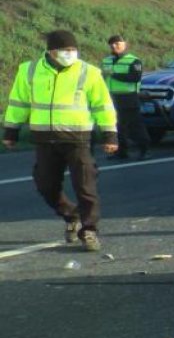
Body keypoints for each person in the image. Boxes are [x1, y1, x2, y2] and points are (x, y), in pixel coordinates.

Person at [3, 30, 118, 251]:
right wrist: (11, 131)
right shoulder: (30, 70)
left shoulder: (89, 72)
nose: (70, 54)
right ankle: (70, 215)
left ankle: (90, 230)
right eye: (65, 51)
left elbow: (103, 105)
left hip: (78, 139)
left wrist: (110, 134)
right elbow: (19, 102)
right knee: (45, 185)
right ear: (51, 52)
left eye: (73, 50)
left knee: (85, 185)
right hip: (45, 139)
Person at [102, 34, 146, 160]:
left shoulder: (134, 61)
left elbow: (135, 78)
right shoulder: (106, 61)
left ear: (125, 44)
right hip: (112, 98)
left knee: (135, 126)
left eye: (118, 43)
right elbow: (103, 78)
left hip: (128, 98)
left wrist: (113, 74)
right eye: (112, 44)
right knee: (117, 126)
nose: (114, 46)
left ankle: (144, 150)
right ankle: (121, 152)